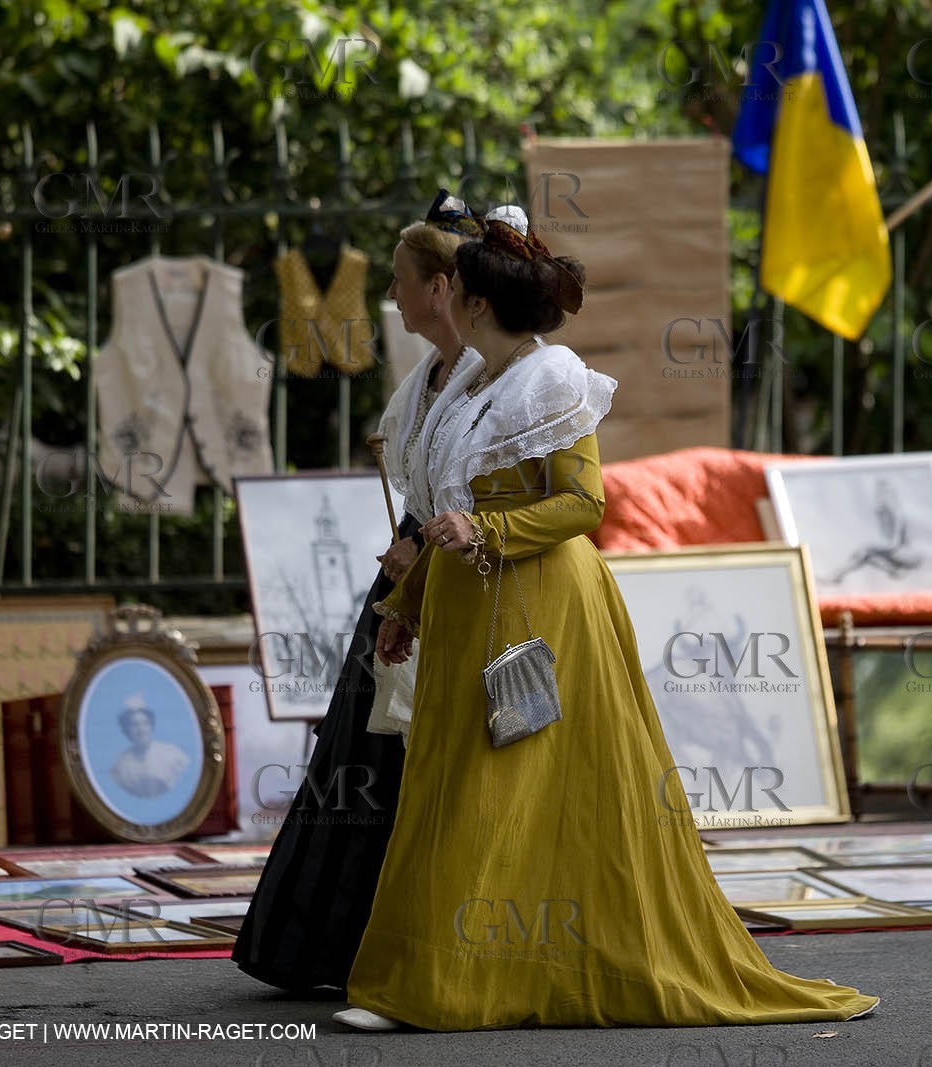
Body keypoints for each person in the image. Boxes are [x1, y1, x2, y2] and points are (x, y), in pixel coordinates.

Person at [334, 219, 878, 1031]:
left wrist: (490, 532)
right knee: (448, 788)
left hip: (544, 602)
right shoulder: (470, 382)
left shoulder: (555, 380)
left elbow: (585, 503)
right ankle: (441, 975)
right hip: (464, 600)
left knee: (500, 790)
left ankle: (444, 988)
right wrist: (402, 606)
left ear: (478, 303)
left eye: (460, 289)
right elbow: (448, 509)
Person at [234, 191, 492, 993]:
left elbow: (506, 484)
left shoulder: (499, 374)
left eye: (400, 278)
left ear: (439, 289)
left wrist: (425, 541)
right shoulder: (425, 379)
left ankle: (428, 941)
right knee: (363, 754)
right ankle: (336, 943)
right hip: (403, 583)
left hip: (458, 579)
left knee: (424, 757)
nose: (390, 293)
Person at [108, 697, 189, 798]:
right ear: (126, 730)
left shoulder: (172, 754)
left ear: (151, 726)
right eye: (134, 725)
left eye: (145, 723)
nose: (141, 729)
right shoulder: (120, 765)